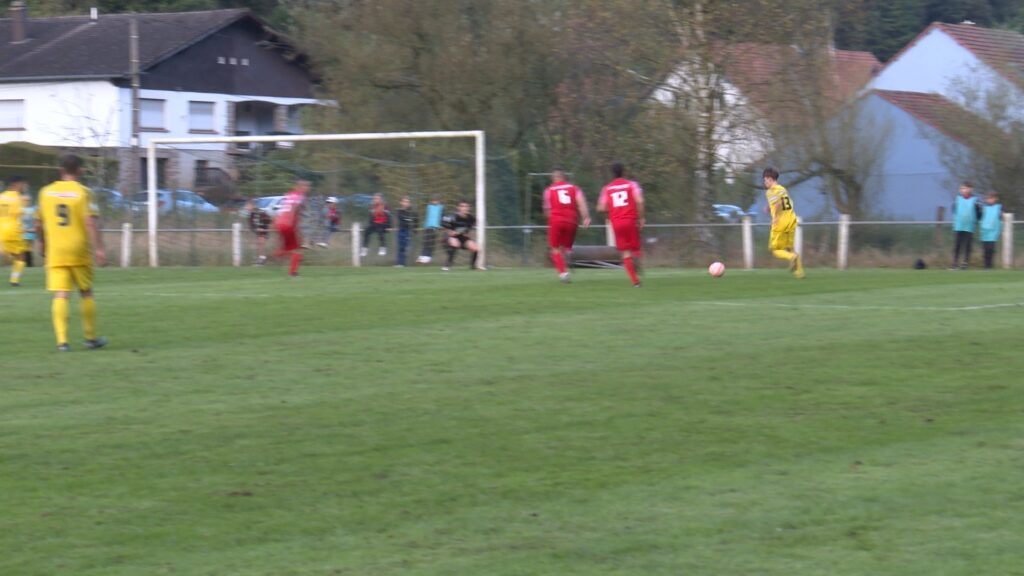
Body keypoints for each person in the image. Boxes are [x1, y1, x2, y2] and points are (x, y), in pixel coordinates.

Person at [37, 154, 107, 351]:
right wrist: (100, 249)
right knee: (86, 292)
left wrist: (41, 244)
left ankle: (62, 342)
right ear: (80, 171)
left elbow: (38, 222)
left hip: (56, 250)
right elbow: (90, 221)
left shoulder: (45, 192)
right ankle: (90, 338)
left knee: (61, 294)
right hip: (78, 249)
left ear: (61, 170)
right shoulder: (84, 192)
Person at [597, 162, 645, 287]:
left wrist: (611, 208)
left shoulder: (607, 188)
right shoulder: (631, 185)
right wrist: (642, 217)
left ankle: (635, 282)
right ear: (624, 172)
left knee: (625, 252)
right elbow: (640, 201)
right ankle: (637, 262)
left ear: (612, 174)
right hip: (631, 220)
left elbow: (601, 208)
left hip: (617, 222)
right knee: (635, 247)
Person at [544, 169, 591, 283]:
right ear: (564, 178)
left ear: (553, 178)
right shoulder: (574, 188)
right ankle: (568, 253)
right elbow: (581, 202)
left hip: (556, 219)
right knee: (565, 247)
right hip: (572, 221)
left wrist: (550, 220)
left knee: (554, 249)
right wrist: (586, 217)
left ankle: (563, 273)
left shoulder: (549, 190)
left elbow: (547, 209)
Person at [762, 167, 804, 278]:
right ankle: (799, 273)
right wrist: (768, 208)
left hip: (780, 223)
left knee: (775, 250)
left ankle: (792, 258)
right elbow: (785, 201)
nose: (764, 182)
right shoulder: (782, 189)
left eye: (765, 180)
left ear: (770, 179)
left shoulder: (771, 191)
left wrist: (775, 217)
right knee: (790, 247)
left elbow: (777, 204)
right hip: (791, 220)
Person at [274, 178, 309, 277]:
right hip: (288, 224)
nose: (306, 188)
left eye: (307, 186)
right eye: (304, 186)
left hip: (280, 222)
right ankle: (292, 272)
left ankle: (279, 254)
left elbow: (280, 209)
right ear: (298, 186)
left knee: (294, 246)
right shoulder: (300, 196)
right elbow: (294, 207)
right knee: (297, 249)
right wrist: (291, 220)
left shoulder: (288, 195)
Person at [0, 176, 29, 286]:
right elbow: (20, 214)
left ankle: (14, 280)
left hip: (1, 230)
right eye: (23, 184)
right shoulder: (18, 198)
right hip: (13, 230)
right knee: (21, 257)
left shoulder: (1, 196)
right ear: (16, 184)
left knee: (7, 254)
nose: (23, 187)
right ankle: (14, 280)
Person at [441, 200, 480, 270]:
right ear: (458, 208)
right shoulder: (452, 217)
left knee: (475, 247)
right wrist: (449, 231)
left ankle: (473, 266)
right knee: (455, 243)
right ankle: (447, 264)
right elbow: (444, 225)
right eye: (462, 206)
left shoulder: (471, 218)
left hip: (462, 238)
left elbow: (468, 229)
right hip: (451, 237)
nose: (465, 208)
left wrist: (468, 233)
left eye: (466, 206)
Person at [950, 181, 980, 270]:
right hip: (959, 226)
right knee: (957, 245)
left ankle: (965, 263)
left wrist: (975, 220)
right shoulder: (958, 199)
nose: (963, 190)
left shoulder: (975, 200)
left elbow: (979, 212)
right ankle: (954, 263)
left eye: (966, 188)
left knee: (967, 246)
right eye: (962, 188)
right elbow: (954, 210)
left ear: (970, 189)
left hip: (969, 226)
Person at [417, 195, 443, 264]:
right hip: (428, 227)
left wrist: (440, 225)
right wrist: (425, 225)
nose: (435, 202)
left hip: (435, 228)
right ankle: (422, 256)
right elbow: (428, 217)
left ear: (439, 201)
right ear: (431, 201)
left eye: (436, 200)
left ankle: (428, 257)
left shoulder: (440, 207)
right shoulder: (429, 207)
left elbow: (440, 217)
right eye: (433, 200)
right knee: (425, 242)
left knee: (431, 243)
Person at [979, 191, 1002, 269]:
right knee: (985, 250)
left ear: (995, 199)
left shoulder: (998, 208)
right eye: (988, 198)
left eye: (991, 198)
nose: (989, 200)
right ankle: (986, 265)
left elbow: (1000, 218)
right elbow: (981, 218)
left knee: (990, 249)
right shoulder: (984, 208)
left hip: (993, 232)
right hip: (985, 232)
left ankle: (989, 265)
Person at [246, 199, 272, 265]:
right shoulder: (251, 215)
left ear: (252, 206)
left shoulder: (260, 212)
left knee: (261, 242)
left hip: (263, 231)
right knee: (258, 244)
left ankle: (262, 259)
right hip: (257, 232)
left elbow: (268, 219)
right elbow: (251, 225)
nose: (246, 207)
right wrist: (256, 228)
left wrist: (262, 227)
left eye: (248, 206)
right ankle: (261, 258)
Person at [395, 196, 418, 267]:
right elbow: (402, 219)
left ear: (409, 203)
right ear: (401, 203)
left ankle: (402, 263)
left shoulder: (412, 212)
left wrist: (414, 230)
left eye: (407, 202)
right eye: (404, 201)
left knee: (404, 247)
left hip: (408, 231)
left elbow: (416, 221)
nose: (405, 203)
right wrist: (407, 220)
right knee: (400, 247)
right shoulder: (399, 211)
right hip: (401, 230)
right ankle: (399, 263)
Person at [21, 193, 37, 268]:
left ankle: (30, 264)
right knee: (23, 248)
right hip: (22, 232)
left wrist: (34, 228)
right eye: (25, 200)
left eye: (27, 200)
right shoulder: (19, 209)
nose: (26, 201)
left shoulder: (33, 209)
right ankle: (23, 263)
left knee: (30, 248)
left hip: (31, 231)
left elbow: (36, 220)